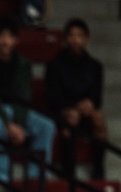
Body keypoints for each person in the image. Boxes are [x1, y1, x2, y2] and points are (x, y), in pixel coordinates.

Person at [0, 16, 56, 183]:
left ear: (16, 40)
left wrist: (17, 123)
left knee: (47, 126)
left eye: (9, 36)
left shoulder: (23, 63)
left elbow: (23, 95)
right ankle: (1, 176)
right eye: (1, 36)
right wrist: (8, 124)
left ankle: (36, 176)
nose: (5, 41)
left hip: (13, 109)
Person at [45, 18, 107, 179]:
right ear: (65, 38)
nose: (75, 39)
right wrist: (74, 105)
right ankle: (68, 172)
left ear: (87, 39)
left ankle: (98, 171)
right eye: (71, 35)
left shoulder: (95, 66)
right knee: (72, 117)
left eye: (80, 35)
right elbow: (53, 97)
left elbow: (97, 96)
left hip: (85, 112)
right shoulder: (54, 65)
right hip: (62, 111)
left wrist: (89, 104)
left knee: (99, 119)